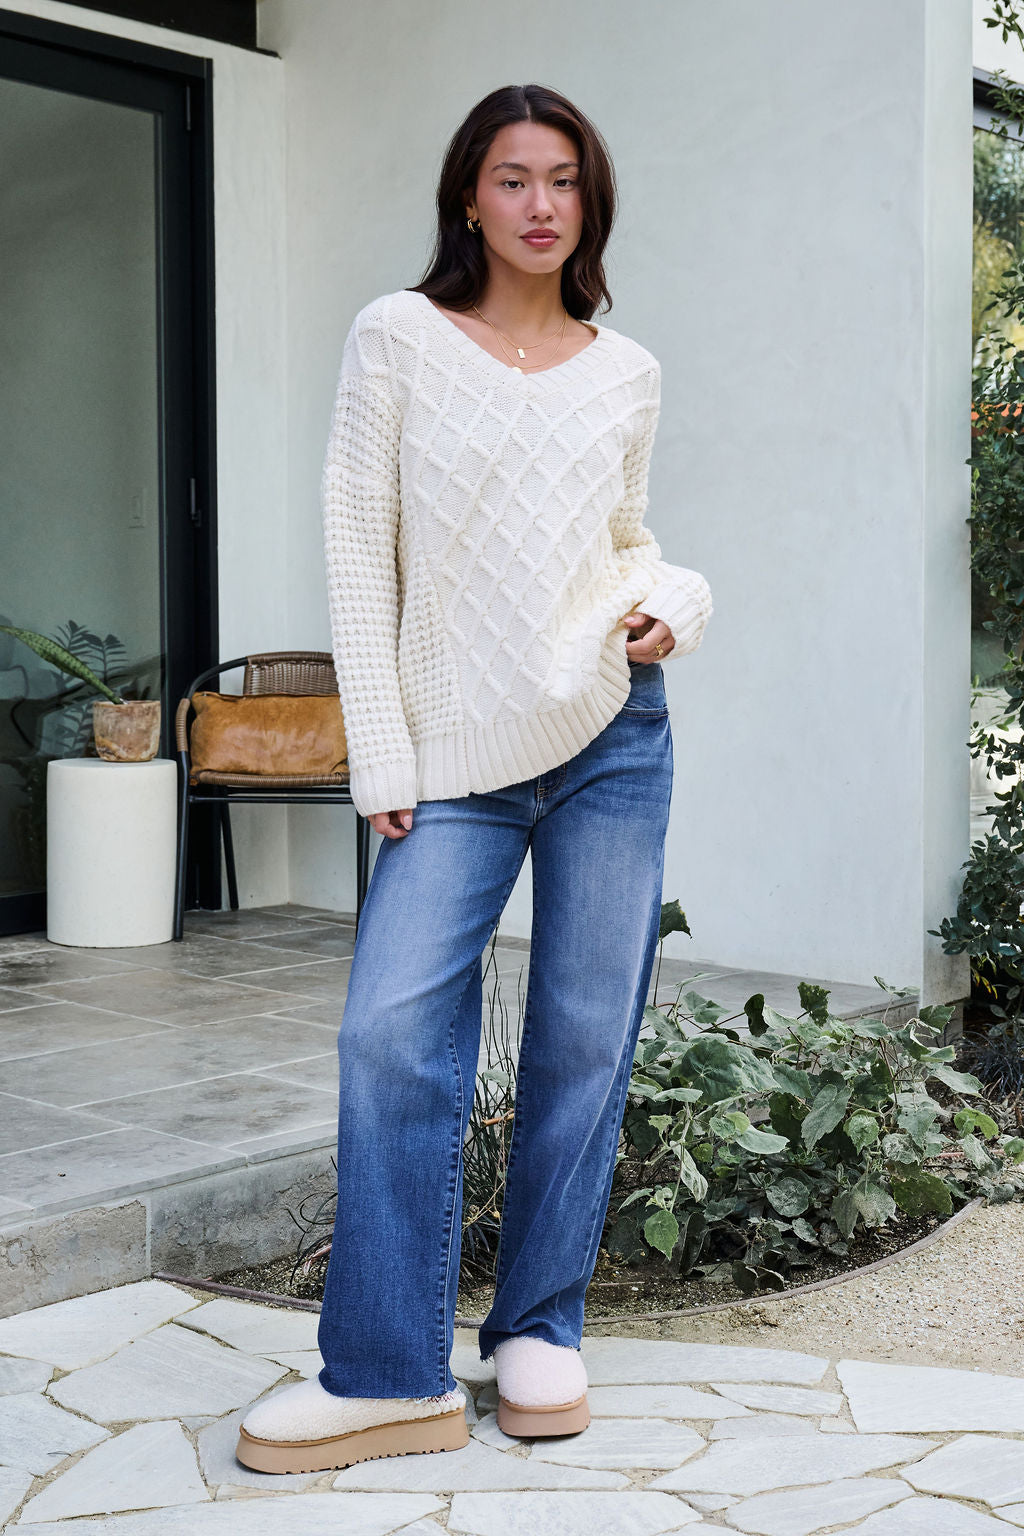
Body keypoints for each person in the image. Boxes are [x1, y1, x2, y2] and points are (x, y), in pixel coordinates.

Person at [235, 81, 713, 1476]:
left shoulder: (626, 371)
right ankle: (388, 1371)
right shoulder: (397, 337)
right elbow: (356, 551)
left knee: (585, 1034)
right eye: (514, 178)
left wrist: (679, 597)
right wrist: (380, 749)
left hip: (616, 732)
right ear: (468, 198)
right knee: (389, 1034)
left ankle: (537, 1327)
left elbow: (628, 537)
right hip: (452, 756)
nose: (542, 203)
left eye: (565, 179)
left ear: (592, 202)